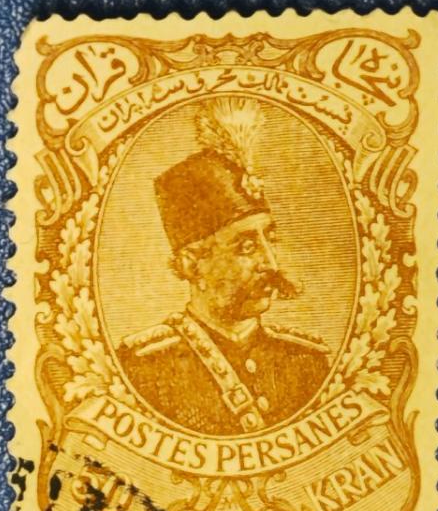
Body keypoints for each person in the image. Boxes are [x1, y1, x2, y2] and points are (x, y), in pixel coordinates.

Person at [117, 117, 329, 437]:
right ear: (192, 264)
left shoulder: (307, 361)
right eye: (246, 247)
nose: (270, 263)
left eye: (270, 240)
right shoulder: (144, 367)